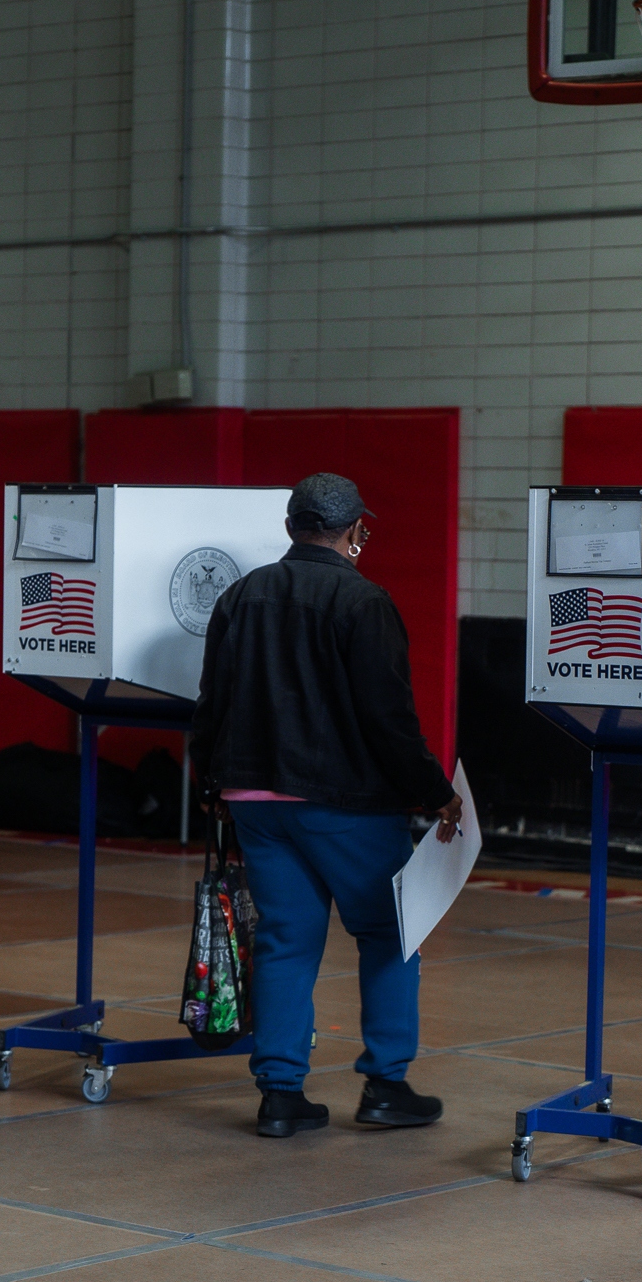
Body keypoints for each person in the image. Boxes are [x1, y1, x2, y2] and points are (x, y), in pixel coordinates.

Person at [189, 472, 465, 1138]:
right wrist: (436, 790)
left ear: (290, 528)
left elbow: (211, 704)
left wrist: (212, 787)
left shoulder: (239, 596)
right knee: (390, 935)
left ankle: (281, 1095)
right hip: (346, 804)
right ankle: (385, 1086)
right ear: (354, 531)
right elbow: (389, 718)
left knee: (285, 940)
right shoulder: (363, 602)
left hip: (254, 799)